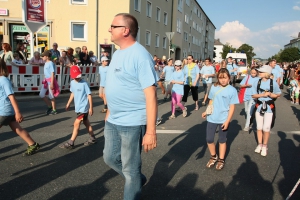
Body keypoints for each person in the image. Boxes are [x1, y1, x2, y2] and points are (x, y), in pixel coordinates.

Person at [103, 13, 157, 199]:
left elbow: (151, 96)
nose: (109, 29)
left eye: (113, 26)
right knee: (109, 158)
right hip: (113, 119)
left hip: (133, 122)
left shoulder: (141, 56)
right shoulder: (117, 53)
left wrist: (151, 132)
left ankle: (133, 180)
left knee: (130, 168)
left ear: (125, 30)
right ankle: (136, 179)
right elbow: (116, 84)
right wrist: (109, 110)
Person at [0, 59, 40, 156]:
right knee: (17, 129)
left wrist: (17, 112)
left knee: (17, 128)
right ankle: (33, 144)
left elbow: (12, 96)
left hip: (4, 111)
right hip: (7, 111)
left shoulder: (3, 80)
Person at [202, 68, 239, 170]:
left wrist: (227, 121)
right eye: (220, 78)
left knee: (222, 140)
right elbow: (211, 101)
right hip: (212, 117)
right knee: (209, 139)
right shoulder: (214, 87)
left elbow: (232, 107)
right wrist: (206, 111)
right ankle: (213, 156)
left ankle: (221, 159)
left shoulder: (232, 90)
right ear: (218, 78)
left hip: (223, 119)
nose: (223, 80)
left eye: (225, 78)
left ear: (229, 78)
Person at [59, 65, 96, 149]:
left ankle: (71, 142)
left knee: (76, 123)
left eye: (78, 76)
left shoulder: (84, 83)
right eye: (75, 77)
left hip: (84, 108)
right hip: (78, 107)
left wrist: (91, 107)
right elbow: (73, 93)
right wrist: (68, 103)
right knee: (86, 122)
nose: (77, 78)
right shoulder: (72, 83)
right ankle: (92, 138)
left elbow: (89, 95)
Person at [251, 65, 281, 156]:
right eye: (259, 72)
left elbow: (278, 94)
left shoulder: (273, 83)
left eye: (261, 72)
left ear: (267, 73)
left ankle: (265, 146)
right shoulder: (257, 82)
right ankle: (259, 145)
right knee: (259, 127)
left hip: (269, 107)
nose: (259, 73)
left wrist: (271, 95)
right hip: (259, 106)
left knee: (266, 128)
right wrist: (262, 95)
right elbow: (253, 95)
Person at [39, 50, 59, 115]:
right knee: (41, 94)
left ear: (47, 57)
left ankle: (54, 109)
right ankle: (50, 106)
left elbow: (52, 73)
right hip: (46, 80)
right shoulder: (46, 63)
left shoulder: (50, 63)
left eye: (43, 56)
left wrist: (52, 83)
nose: (42, 57)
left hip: (50, 80)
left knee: (51, 95)